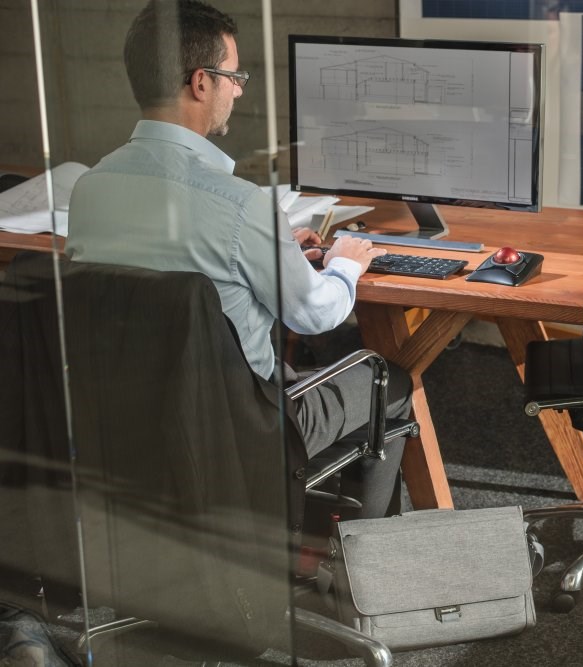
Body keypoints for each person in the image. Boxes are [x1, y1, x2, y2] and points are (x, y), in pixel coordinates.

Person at [66, 0, 411, 519]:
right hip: (236, 427)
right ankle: (356, 579)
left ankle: (304, 525)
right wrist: (344, 262)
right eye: (235, 76)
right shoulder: (240, 203)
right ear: (201, 83)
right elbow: (313, 313)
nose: (240, 88)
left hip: (126, 424)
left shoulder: (90, 191)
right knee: (391, 383)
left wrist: (271, 249)